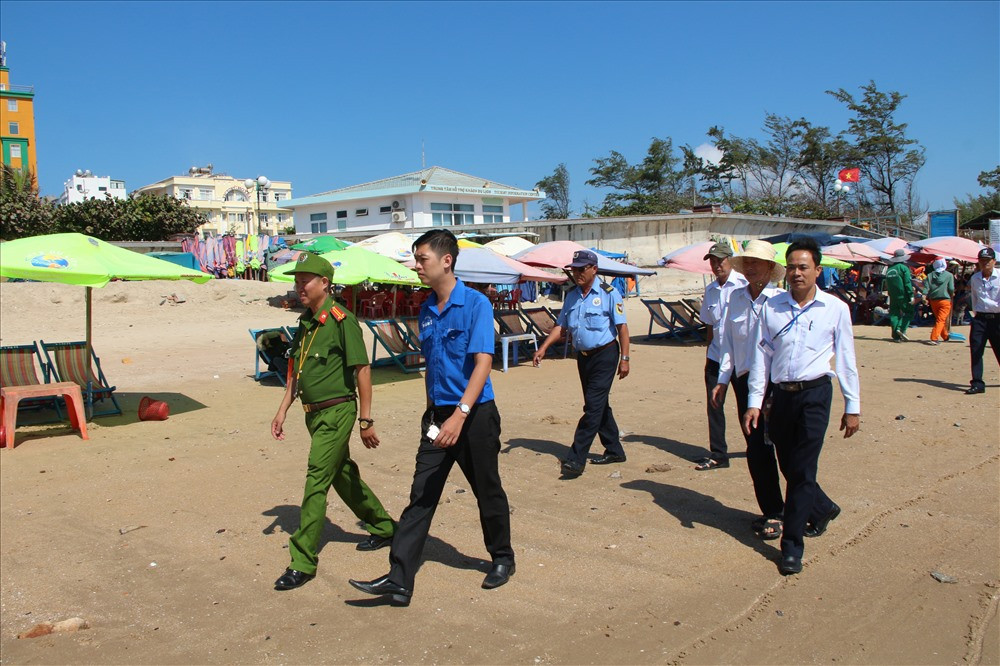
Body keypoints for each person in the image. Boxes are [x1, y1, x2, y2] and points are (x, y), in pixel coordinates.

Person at [349, 229, 514, 606]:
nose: (417, 265)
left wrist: (460, 415)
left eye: (422, 258)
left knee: (486, 490)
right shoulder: (425, 309)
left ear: (446, 260)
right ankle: (399, 579)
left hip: (475, 416)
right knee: (421, 494)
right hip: (439, 415)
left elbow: (483, 364)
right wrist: (432, 413)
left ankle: (502, 558)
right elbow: (432, 366)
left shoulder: (475, 304)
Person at [271, 253, 395, 591]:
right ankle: (384, 527)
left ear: (324, 283)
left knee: (316, 478)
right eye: (296, 281)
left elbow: (363, 370)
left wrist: (366, 419)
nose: (299, 287)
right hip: (312, 413)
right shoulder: (306, 323)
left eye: (305, 281)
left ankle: (302, 560)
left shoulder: (342, 320)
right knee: (341, 473)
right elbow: (296, 372)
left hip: (338, 411)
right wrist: (283, 409)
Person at [743, 238, 861, 576]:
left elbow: (847, 361)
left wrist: (852, 405)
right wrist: (754, 402)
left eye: (803, 267)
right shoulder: (772, 306)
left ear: (817, 271)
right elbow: (760, 358)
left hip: (815, 395)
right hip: (780, 397)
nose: (796, 273)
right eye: (792, 267)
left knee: (804, 469)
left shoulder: (835, 309)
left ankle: (792, 546)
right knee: (788, 463)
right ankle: (822, 508)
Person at [710, 240, 786, 540]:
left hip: (775, 384)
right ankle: (773, 511)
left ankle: (815, 505)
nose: (752, 267)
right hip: (744, 381)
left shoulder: (780, 300)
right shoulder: (736, 300)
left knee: (784, 448)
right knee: (757, 449)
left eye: (758, 262)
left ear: (770, 268)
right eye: (748, 262)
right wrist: (722, 379)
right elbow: (728, 343)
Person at [531, 249, 631, 478]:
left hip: (605, 355)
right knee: (598, 404)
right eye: (574, 269)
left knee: (592, 407)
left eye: (581, 269)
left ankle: (576, 459)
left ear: (594, 269)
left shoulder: (609, 293)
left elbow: (622, 328)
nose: (577, 273)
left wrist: (625, 359)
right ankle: (615, 450)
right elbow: (561, 326)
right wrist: (543, 347)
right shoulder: (573, 296)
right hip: (583, 358)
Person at [696, 241, 747, 470]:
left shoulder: (744, 286)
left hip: (742, 360)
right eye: (713, 261)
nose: (717, 265)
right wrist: (708, 356)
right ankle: (718, 454)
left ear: (730, 260)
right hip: (717, 358)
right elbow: (709, 326)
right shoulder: (710, 291)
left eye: (720, 260)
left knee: (747, 406)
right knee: (714, 406)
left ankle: (757, 448)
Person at [965, 247, 1000, 395]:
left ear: (994, 261)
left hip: (997, 319)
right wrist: (975, 314)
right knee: (976, 349)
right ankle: (977, 383)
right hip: (980, 319)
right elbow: (974, 297)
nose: (984, 263)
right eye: (982, 261)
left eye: (987, 261)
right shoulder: (975, 278)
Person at [884, 249, 914, 342]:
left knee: (894, 314)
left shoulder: (889, 270)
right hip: (903, 295)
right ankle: (901, 329)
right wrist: (911, 295)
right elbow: (907, 283)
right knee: (909, 312)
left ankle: (896, 336)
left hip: (892, 296)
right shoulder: (904, 268)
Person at [923, 258, 955, 345]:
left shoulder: (929, 275)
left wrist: (924, 296)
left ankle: (945, 336)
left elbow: (926, 288)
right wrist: (952, 294)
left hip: (933, 301)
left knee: (939, 319)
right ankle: (934, 338)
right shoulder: (949, 275)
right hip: (945, 300)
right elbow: (951, 288)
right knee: (941, 320)